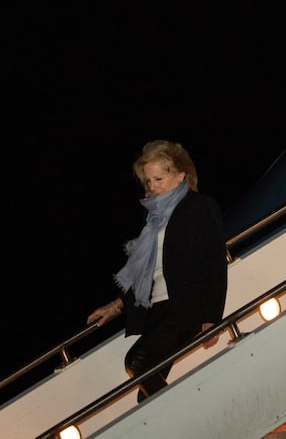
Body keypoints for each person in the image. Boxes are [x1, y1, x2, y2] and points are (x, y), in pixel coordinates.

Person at [87, 140, 228, 402]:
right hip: (159, 308)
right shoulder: (153, 217)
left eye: (159, 178)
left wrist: (213, 317)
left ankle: (181, 417)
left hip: (187, 306)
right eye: (148, 181)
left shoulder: (199, 206)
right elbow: (145, 270)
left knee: (137, 363)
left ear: (181, 175)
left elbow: (215, 263)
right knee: (147, 394)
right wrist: (116, 305)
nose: (152, 187)